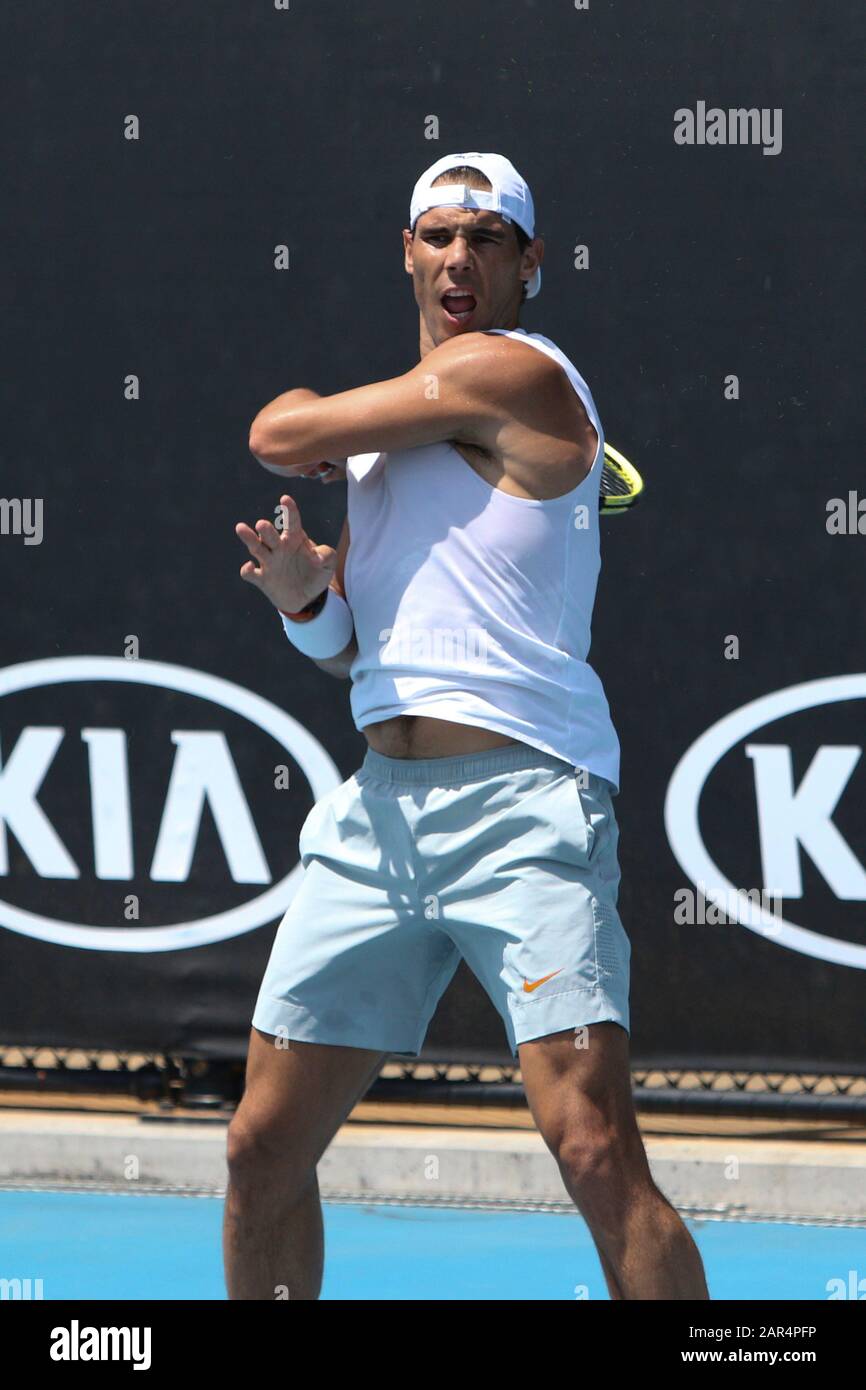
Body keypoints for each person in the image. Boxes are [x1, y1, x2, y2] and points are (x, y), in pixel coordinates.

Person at [225, 152, 709, 1300]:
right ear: (407, 252)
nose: (458, 256)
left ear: (529, 264)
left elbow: (274, 428)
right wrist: (305, 595)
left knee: (590, 1146)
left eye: (486, 239)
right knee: (259, 1147)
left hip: (524, 807)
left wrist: (325, 430)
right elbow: (362, 653)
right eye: (437, 235)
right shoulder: (395, 444)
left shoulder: (519, 376)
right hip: (377, 819)